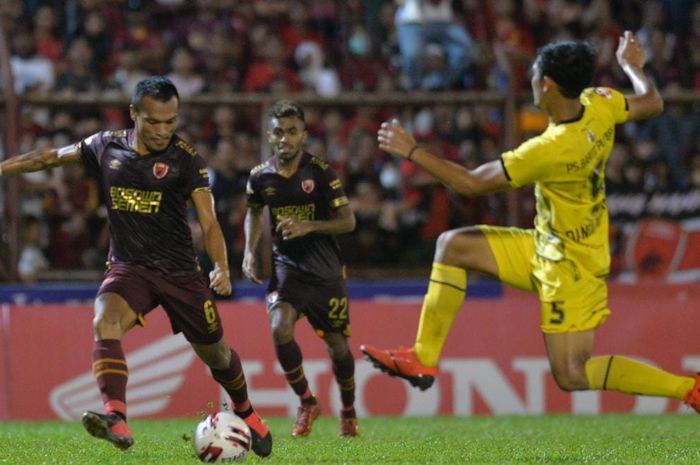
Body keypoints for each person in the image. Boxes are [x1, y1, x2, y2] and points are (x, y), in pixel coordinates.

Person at [360, 32, 700, 412]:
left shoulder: (548, 149)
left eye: (534, 76)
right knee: (452, 246)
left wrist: (413, 151)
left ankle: (689, 388)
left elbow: (471, 184)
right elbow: (652, 102)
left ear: (548, 84)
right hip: (545, 244)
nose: (531, 83)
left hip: (572, 268)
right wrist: (633, 68)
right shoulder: (599, 102)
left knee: (571, 374)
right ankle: (422, 356)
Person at [0, 77, 273, 456]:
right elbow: (49, 157)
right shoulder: (104, 145)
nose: (163, 131)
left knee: (218, 355)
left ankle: (248, 413)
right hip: (130, 268)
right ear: (134, 114)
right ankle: (117, 416)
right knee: (103, 320)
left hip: (181, 273)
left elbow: (209, 222)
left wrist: (222, 268)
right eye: (154, 122)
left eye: (170, 121)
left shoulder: (186, 160)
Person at [242, 100, 359, 437]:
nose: (285, 139)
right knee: (280, 327)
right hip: (287, 268)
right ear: (269, 135)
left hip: (326, 272)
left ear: (303, 135)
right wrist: (250, 252)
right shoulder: (260, 176)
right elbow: (252, 212)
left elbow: (348, 221)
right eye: (279, 132)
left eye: (292, 132)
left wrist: (309, 226)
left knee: (337, 347)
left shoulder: (320, 172)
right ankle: (307, 401)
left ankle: (348, 412)